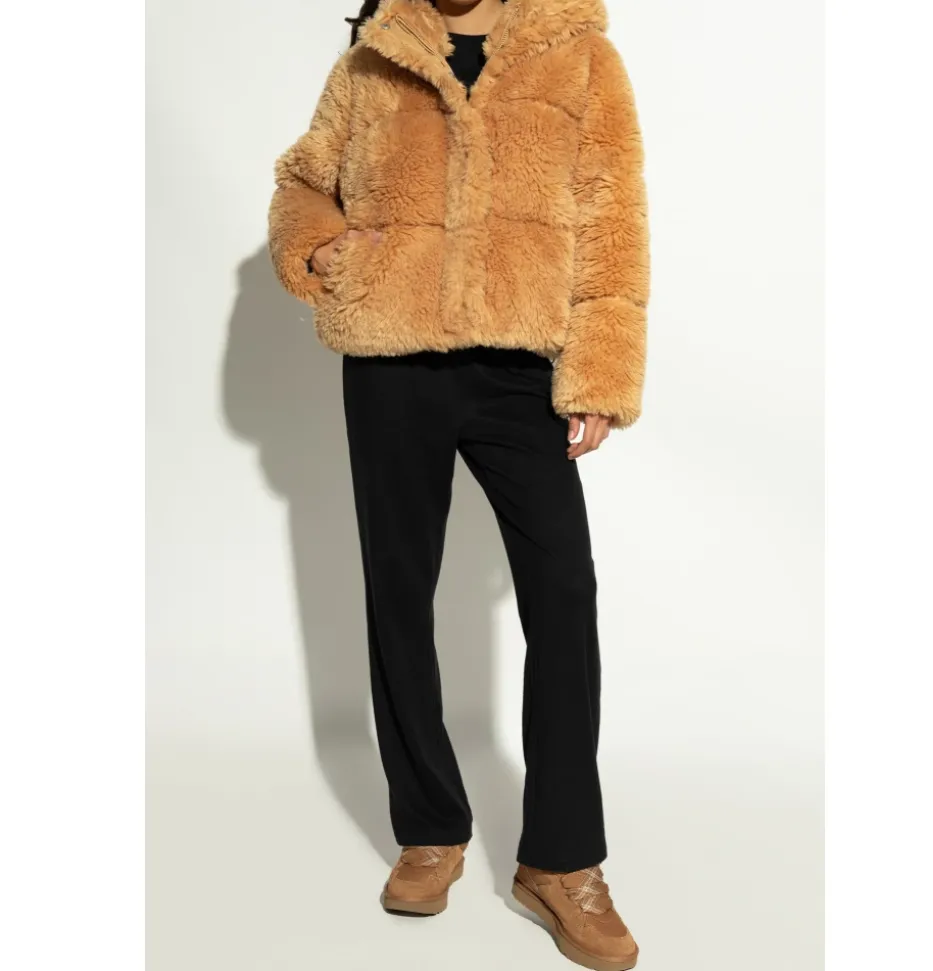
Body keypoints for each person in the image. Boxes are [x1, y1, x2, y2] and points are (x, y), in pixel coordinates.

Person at [268, 0, 648, 967]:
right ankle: (429, 827)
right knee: (399, 592)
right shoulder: (376, 55)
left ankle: (561, 859)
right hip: (391, 363)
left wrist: (601, 369)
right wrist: (324, 250)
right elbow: (305, 179)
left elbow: (613, 216)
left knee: (563, 593)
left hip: (521, 368)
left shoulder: (578, 54)